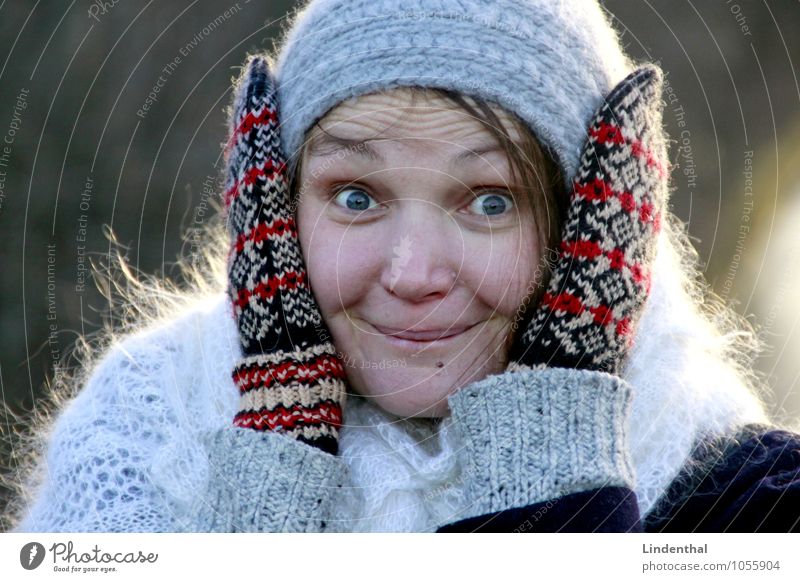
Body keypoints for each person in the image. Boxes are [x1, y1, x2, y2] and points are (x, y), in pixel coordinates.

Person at [10, 0, 800, 533]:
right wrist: (275, 463)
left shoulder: (749, 507)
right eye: (355, 196)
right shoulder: (138, 440)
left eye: (491, 200)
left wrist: (552, 434)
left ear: (596, 225)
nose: (414, 272)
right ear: (275, 214)